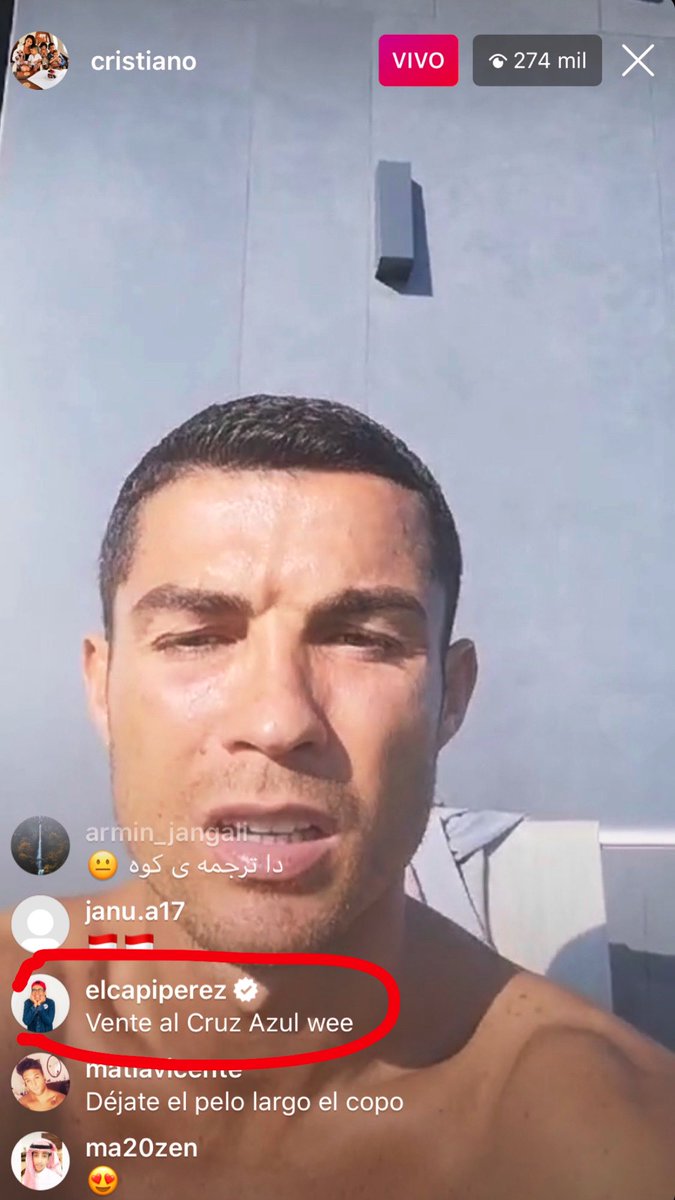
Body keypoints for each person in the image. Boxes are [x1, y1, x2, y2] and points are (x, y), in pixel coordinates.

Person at [2, 395, 674, 1199]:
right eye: (197, 637)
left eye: (361, 640)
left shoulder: (613, 1139)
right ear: (102, 686)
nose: (277, 720)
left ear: (451, 698)